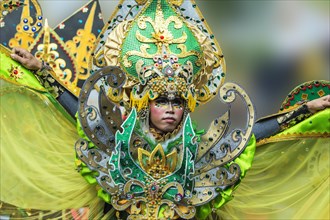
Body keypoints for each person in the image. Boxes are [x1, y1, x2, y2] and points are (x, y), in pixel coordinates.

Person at [1, 0, 329, 219]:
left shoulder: (199, 149)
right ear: (144, 102)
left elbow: (246, 134)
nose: (170, 109)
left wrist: (306, 110)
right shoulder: (117, 143)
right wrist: (41, 69)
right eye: (161, 100)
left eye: (176, 102)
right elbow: (80, 112)